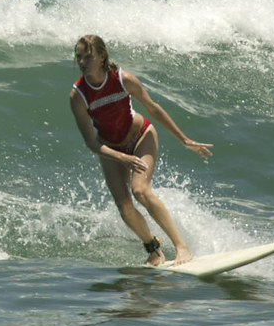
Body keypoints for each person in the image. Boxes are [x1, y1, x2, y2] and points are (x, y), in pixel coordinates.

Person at [69, 34, 213, 266]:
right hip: (111, 148)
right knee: (124, 207)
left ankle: (181, 247)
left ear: (102, 56)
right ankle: (154, 251)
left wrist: (184, 139)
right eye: (79, 57)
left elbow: (153, 109)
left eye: (88, 56)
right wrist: (122, 158)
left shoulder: (123, 79)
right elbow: (91, 143)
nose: (83, 62)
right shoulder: (78, 95)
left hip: (140, 137)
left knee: (141, 191)